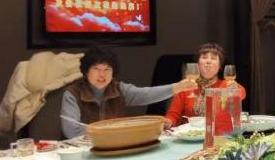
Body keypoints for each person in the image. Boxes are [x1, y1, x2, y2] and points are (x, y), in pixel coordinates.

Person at [61, 46, 196, 138]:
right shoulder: (73, 93)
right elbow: (71, 130)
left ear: (113, 72)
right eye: (96, 69)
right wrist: (114, 132)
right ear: (86, 71)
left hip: (115, 146)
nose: (102, 74)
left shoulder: (119, 89)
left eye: (107, 69)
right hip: (81, 149)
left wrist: (177, 87)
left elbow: (146, 94)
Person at [165, 42, 246, 128]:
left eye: (213, 58)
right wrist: (168, 122)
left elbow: (242, 93)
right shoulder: (186, 86)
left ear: (220, 66)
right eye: (204, 57)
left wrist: (235, 88)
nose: (208, 61)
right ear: (198, 63)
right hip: (190, 133)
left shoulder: (226, 84)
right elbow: (173, 114)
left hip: (218, 132)